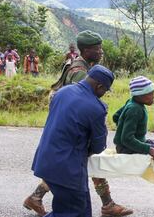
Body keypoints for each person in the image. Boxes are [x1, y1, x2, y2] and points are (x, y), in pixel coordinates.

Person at [24, 30, 133, 217]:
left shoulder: (77, 78)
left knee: (78, 209)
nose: (101, 52)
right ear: (86, 50)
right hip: (70, 158)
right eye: (97, 49)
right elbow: (95, 140)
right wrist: (98, 116)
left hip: (51, 154)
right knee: (73, 208)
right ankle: (107, 203)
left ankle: (37, 196)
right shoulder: (79, 73)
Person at [31, 65, 114, 217]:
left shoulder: (62, 92)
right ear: (99, 86)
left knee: (81, 211)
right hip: (68, 168)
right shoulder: (96, 108)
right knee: (72, 213)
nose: (103, 94)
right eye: (104, 90)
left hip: (45, 159)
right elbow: (98, 146)